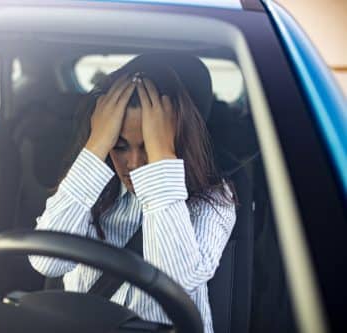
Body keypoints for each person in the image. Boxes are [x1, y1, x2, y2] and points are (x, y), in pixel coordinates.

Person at [29, 55, 236, 333]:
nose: (135, 163)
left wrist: (163, 157)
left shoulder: (214, 199)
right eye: (120, 146)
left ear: (178, 140)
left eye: (148, 147)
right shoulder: (91, 186)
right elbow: (46, 261)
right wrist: (96, 144)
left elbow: (175, 282)